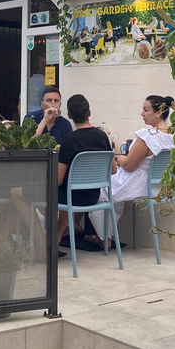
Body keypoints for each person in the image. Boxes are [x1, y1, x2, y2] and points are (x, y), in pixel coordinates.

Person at [88, 95, 175, 244]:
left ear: (158, 112)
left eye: (145, 110)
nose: (142, 113)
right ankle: (107, 235)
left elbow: (129, 165)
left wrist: (117, 158)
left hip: (139, 184)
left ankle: (104, 236)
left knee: (98, 186)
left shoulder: (148, 136)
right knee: (113, 193)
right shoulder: (173, 136)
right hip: (161, 186)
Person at [57, 94, 112, 253]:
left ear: (69, 115)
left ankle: (52, 240)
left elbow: (59, 180)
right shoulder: (102, 136)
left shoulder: (69, 140)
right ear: (89, 113)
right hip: (93, 196)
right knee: (67, 195)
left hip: (71, 198)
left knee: (55, 193)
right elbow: (113, 170)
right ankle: (60, 235)